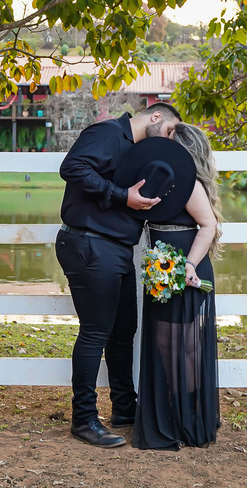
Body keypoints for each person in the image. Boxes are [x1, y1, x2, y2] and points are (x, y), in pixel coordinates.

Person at [55, 102, 181, 448]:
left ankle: (125, 408)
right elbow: (73, 167)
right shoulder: (109, 133)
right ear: (156, 117)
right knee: (96, 332)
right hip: (90, 244)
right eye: (170, 131)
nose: (169, 139)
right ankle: (83, 419)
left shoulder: (138, 152)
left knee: (124, 331)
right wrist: (122, 196)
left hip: (116, 250)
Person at [133, 122, 222, 450]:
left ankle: (188, 418)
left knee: (183, 345)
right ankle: (174, 414)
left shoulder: (190, 184)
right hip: (164, 269)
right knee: (167, 344)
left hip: (186, 270)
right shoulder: (165, 180)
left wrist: (189, 264)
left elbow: (208, 225)